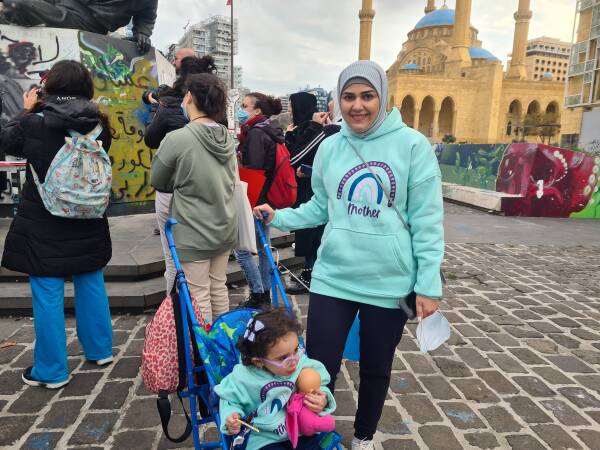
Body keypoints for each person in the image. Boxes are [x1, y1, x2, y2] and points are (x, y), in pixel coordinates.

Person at [254, 60, 444, 450]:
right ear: (338, 101)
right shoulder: (330, 146)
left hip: (388, 283)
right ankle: (315, 431)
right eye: (349, 96)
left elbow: (428, 222)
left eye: (367, 96)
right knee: (318, 367)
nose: (357, 105)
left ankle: (364, 436)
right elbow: (321, 207)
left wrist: (428, 285)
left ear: (382, 97)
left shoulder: (413, 146)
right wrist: (280, 216)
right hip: (334, 278)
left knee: (376, 367)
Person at [0, 60, 114, 389]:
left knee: (48, 293)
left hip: (45, 221)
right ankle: (100, 349)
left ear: (49, 87)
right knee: (91, 280)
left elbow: (6, 142)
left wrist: (25, 110)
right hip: (88, 216)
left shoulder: (35, 123)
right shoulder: (99, 124)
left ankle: (51, 371)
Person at [150, 73, 237, 323]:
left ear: (188, 97)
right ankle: (222, 339)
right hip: (224, 223)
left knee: (198, 292)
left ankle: (204, 344)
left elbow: (159, 180)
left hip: (192, 228)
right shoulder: (226, 136)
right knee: (218, 286)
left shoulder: (178, 139)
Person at [144, 54, 218, 294]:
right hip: (209, 191)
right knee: (213, 271)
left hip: (173, 190)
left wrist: (155, 108)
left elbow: (151, 141)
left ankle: (177, 309)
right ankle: (203, 311)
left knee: (172, 257)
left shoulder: (168, 108)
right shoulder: (216, 111)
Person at [216, 308, 336, 450]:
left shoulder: (301, 363)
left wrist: (322, 398)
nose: (294, 360)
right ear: (258, 361)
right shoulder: (243, 377)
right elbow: (229, 400)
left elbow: (319, 384)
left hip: (300, 428)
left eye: (296, 350)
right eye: (283, 358)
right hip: (264, 437)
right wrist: (231, 415)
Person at [284, 92, 341, 295]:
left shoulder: (330, 130)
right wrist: (290, 135)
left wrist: (315, 128)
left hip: (314, 190)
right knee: (308, 235)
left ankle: (310, 276)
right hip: (307, 189)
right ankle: (309, 273)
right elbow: (294, 156)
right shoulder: (312, 128)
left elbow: (296, 158)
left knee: (313, 235)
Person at [236, 93, 284, 309]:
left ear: (257, 111)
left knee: (241, 249)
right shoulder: (270, 129)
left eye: (244, 106)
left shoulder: (256, 133)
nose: (241, 109)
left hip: (255, 198)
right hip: (267, 198)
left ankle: (258, 293)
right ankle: (264, 293)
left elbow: (253, 170)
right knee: (264, 247)